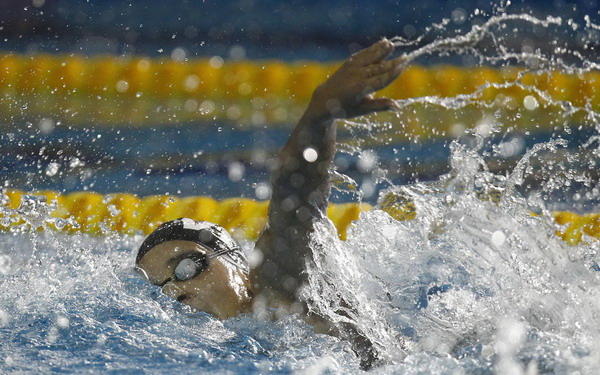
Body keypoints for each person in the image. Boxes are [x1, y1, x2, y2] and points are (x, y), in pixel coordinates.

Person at [135, 38, 406, 368]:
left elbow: (295, 202)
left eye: (186, 267)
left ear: (236, 262)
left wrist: (319, 114)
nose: (176, 290)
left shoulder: (274, 286)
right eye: (160, 289)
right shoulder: (222, 349)